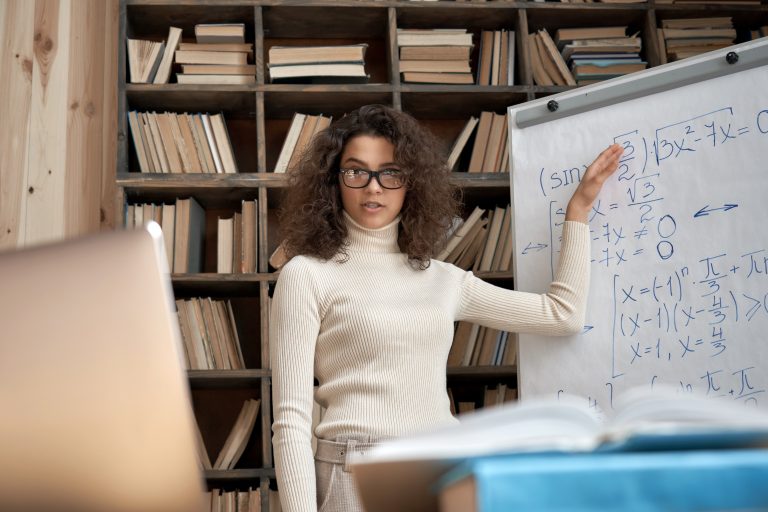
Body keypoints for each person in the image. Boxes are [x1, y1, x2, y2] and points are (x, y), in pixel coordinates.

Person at [270, 104, 623, 512]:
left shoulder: (444, 279)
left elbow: (562, 314)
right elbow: (291, 422)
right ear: (334, 181)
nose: (373, 188)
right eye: (356, 171)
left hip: (442, 467)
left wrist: (577, 211)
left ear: (411, 183)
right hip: (354, 474)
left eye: (391, 172)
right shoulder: (306, 275)